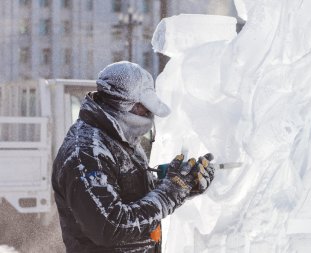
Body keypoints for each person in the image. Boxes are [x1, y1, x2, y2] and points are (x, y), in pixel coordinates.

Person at [51, 61, 215, 253]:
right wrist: (169, 193)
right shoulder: (86, 154)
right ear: (120, 103)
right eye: (143, 107)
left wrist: (179, 184)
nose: (148, 114)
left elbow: (127, 193)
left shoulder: (119, 138)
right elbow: (110, 226)